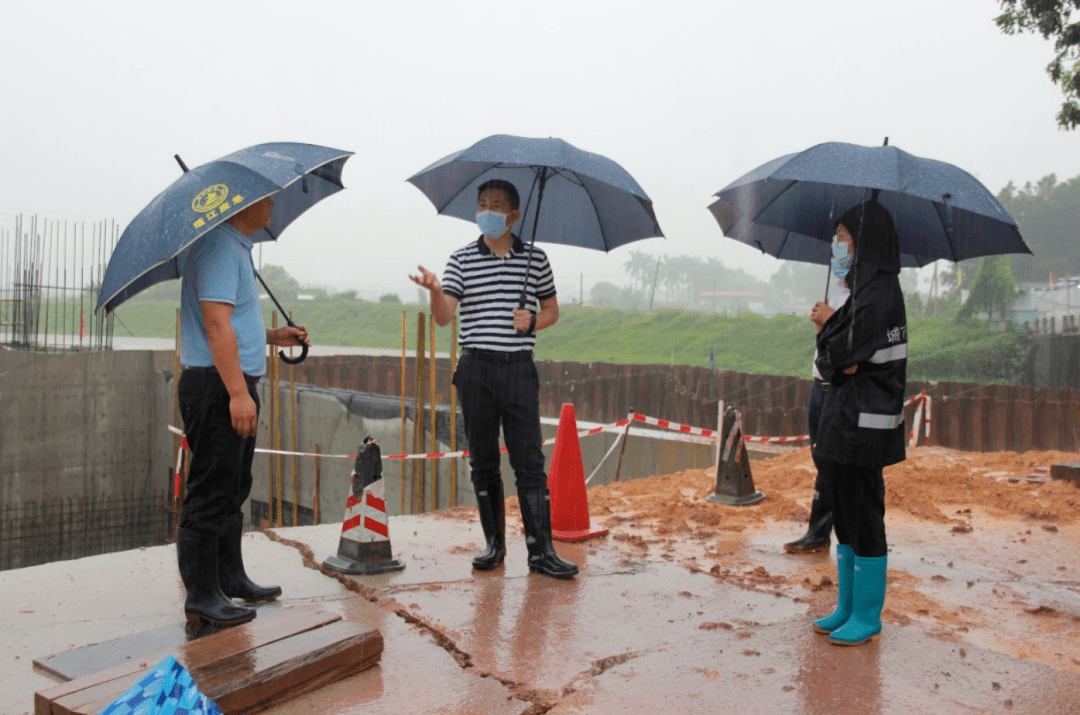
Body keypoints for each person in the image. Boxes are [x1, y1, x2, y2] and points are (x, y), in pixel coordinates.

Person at [409, 178, 579, 579]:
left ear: (514, 215)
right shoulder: (461, 259)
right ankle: (494, 545)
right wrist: (435, 290)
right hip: (476, 369)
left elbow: (553, 310)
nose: (488, 211)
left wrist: (534, 320)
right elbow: (444, 317)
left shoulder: (535, 259)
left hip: (519, 367)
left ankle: (541, 552)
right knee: (483, 461)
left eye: (497, 205)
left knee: (529, 463)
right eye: (482, 203)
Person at [177, 195, 311, 626]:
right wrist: (237, 393)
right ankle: (201, 595)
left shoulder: (236, 247)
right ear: (241, 206)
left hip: (231, 382)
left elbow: (234, 321)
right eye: (267, 200)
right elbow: (215, 324)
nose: (273, 206)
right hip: (217, 385)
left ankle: (229, 579)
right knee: (211, 489)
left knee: (233, 486)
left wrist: (275, 336)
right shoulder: (217, 246)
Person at [811, 200, 907, 646]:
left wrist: (832, 343)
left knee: (865, 514)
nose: (837, 248)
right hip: (847, 420)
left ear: (865, 243)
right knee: (846, 513)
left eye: (844, 239)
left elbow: (841, 355)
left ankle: (867, 614)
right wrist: (833, 344)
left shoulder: (881, 293)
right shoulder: (863, 291)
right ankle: (847, 606)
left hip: (865, 425)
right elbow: (833, 357)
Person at [783, 238, 852, 554]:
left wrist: (832, 321)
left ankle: (822, 532)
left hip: (838, 388)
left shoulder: (865, 297)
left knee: (832, 463)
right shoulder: (836, 288)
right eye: (835, 239)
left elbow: (852, 349)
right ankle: (822, 529)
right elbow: (828, 344)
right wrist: (820, 327)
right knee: (822, 460)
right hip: (819, 384)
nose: (836, 246)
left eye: (843, 239)